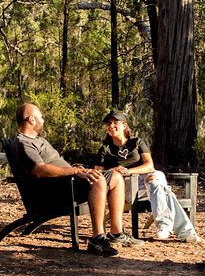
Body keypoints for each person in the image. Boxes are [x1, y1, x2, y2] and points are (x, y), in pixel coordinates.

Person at [8, 101, 123, 256]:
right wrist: (74, 172)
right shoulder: (24, 143)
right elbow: (40, 170)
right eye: (40, 117)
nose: (43, 120)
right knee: (98, 179)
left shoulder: (38, 140)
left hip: (68, 181)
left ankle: (116, 233)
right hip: (56, 190)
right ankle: (97, 239)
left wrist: (76, 168)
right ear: (31, 120)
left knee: (116, 177)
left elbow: (55, 164)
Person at [97, 110, 198, 242]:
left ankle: (165, 225)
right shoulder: (105, 149)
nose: (111, 126)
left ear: (124, 126)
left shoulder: (137, 143)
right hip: (123, 187)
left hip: (144, 181)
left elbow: (149, 166)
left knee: (156, 178)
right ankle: (185, 231)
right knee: (165, 190)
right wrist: (114, 170)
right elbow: (98, 173)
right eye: (109, 123)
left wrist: (129, 171)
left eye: (115, 122)